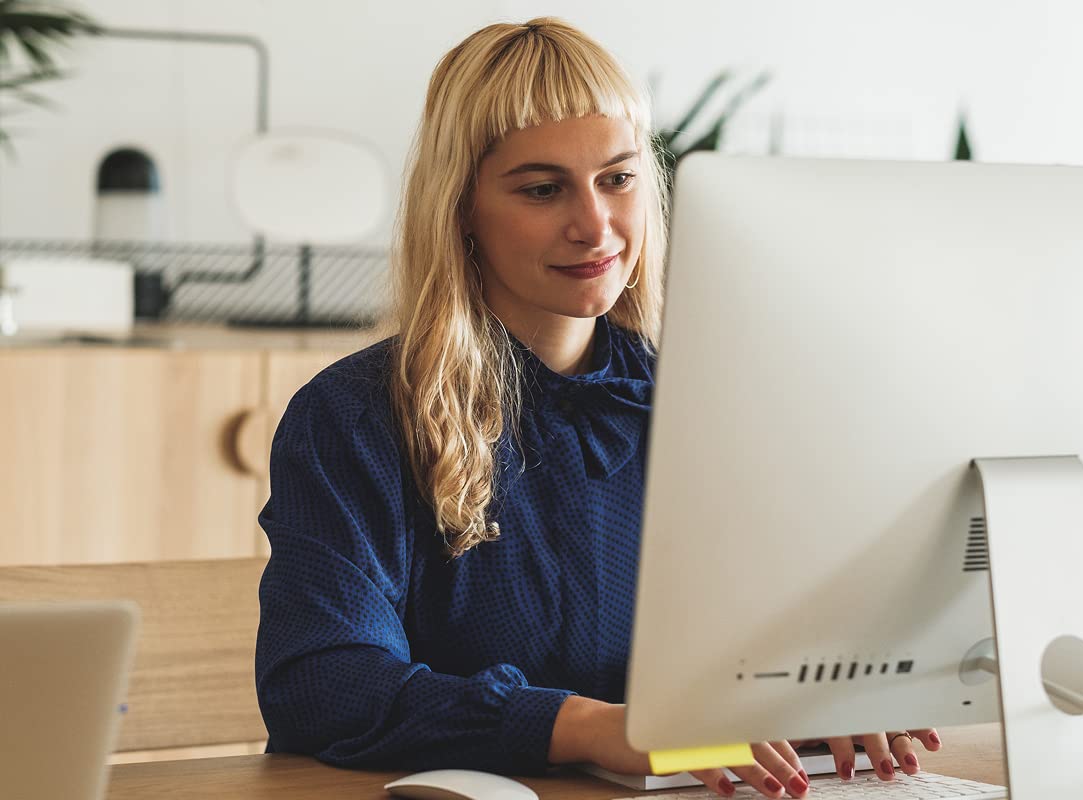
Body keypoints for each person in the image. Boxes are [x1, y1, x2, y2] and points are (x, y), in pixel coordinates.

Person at [254, 17, 942, 799]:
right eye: (543, 189)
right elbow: (323, 683)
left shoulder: (704, 400)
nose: (595, 225)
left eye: (617, 178)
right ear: (461, 210)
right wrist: (590, 728)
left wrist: (826, 692)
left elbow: (761, 644)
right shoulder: (354, 418)